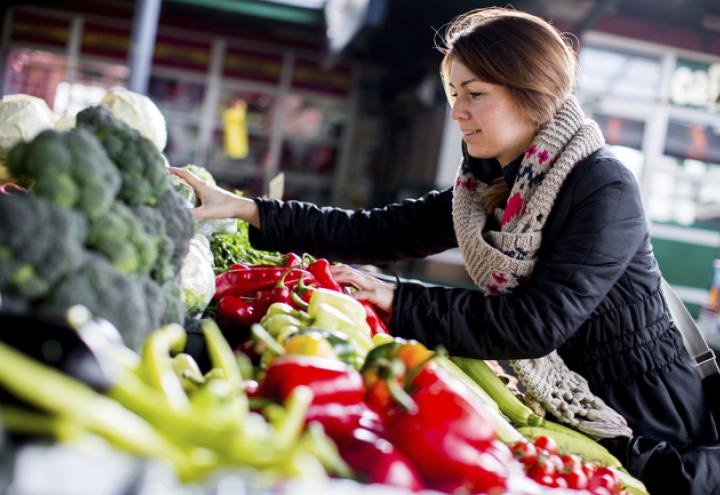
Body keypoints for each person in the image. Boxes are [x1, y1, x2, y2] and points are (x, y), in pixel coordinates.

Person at [171, 7, 719, 493]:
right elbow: (376, 233)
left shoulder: (601, 186)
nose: (458, 111)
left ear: (531, 92)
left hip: (643, 420)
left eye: (475, 93)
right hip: (561, 406)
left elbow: (534, 324)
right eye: (454, 93)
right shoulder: (485, 188)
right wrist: (252, 211)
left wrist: (397, 299)